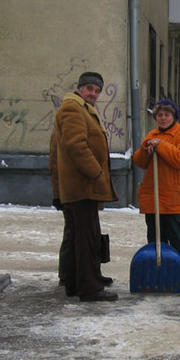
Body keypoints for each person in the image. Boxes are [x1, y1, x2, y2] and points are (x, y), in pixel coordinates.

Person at [50, 71, 119, 302]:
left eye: (97, 90)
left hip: (81, 186)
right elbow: (76, 146)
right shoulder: (73, 108)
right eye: (89, 88)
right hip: (82, 185)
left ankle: (77, 281)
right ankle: (89, 288)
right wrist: (96, 172)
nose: (93, 94)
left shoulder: (81, 109)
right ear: (80, 88)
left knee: (81, 235)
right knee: (86, 238)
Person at [133, 98, 180, 296]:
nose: (163, 118)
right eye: (159, 115)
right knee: (156, 243)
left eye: (167, 115)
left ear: (174, 116)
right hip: (154, 200)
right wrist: (146, 149)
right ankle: (158, 278)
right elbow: (140, 161)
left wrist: (161, 146)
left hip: (176, 201)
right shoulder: (151, 135)